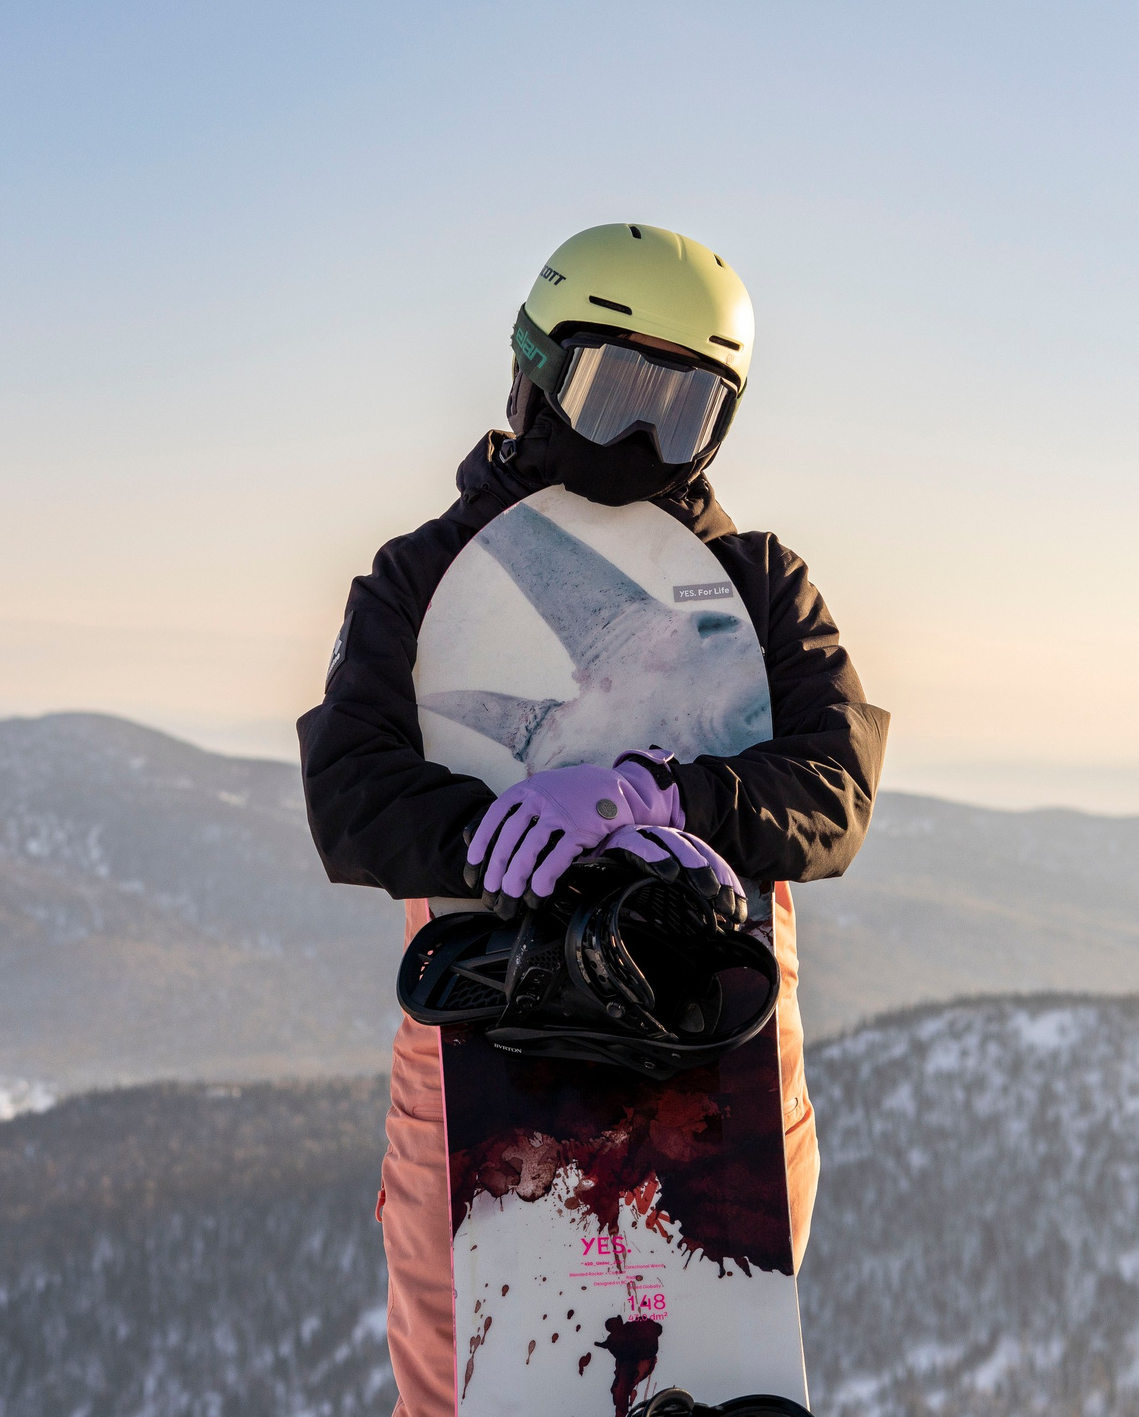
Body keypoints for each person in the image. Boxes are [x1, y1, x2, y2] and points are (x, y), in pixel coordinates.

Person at [298, 222, 888, 1417]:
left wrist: (667, 793)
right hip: (486, 1042)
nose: (637, 440)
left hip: (712, 1043)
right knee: (470, 1383)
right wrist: (492, 832)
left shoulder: (762, 588)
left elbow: (834, 790)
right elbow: (349, 795)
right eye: (614, 390)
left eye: (682, 411)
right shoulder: (424, 578)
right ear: (533, 372)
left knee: (715, 1375)